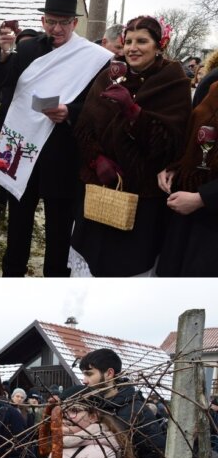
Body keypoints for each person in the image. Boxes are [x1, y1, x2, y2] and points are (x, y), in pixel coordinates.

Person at [0, 0, 113, 276]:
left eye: (63, 23)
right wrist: (3, 55)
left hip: (62, 153)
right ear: (42, 20)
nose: (56, 29)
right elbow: (2, 83)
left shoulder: (94, 58)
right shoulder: (28, 48)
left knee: (59, 228)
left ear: (74, 23)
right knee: (18, 223)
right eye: (51, 22)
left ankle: (55, 277)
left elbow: (101, 106)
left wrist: (70, 112)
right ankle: (12, 273)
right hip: (22, 148)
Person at [69, 15, 191, 276]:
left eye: (142, 41)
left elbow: (169, 146)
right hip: (99, 189)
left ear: (160, 45)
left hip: (141, 194)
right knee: (93, 259)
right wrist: (96, 160)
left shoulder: (173, 82)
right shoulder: (108, 76)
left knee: (126, 266)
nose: (133, 47)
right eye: (129, 41)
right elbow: (84, 127)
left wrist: (134, 113)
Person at [156, 56, 218, 276]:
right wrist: (175, 165)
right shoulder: (214, 84)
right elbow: (194, 136)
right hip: (190, 211)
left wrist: (203, 198)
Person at [0, 25, 40, 220]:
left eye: (29, 44)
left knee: (24, 165)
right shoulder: (11, 61)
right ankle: (0, 205)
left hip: (32, 126)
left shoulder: (41, 67)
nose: (25, 48)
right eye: (21, 44)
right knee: (4, 162)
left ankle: (22, 205)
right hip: (6, 122)